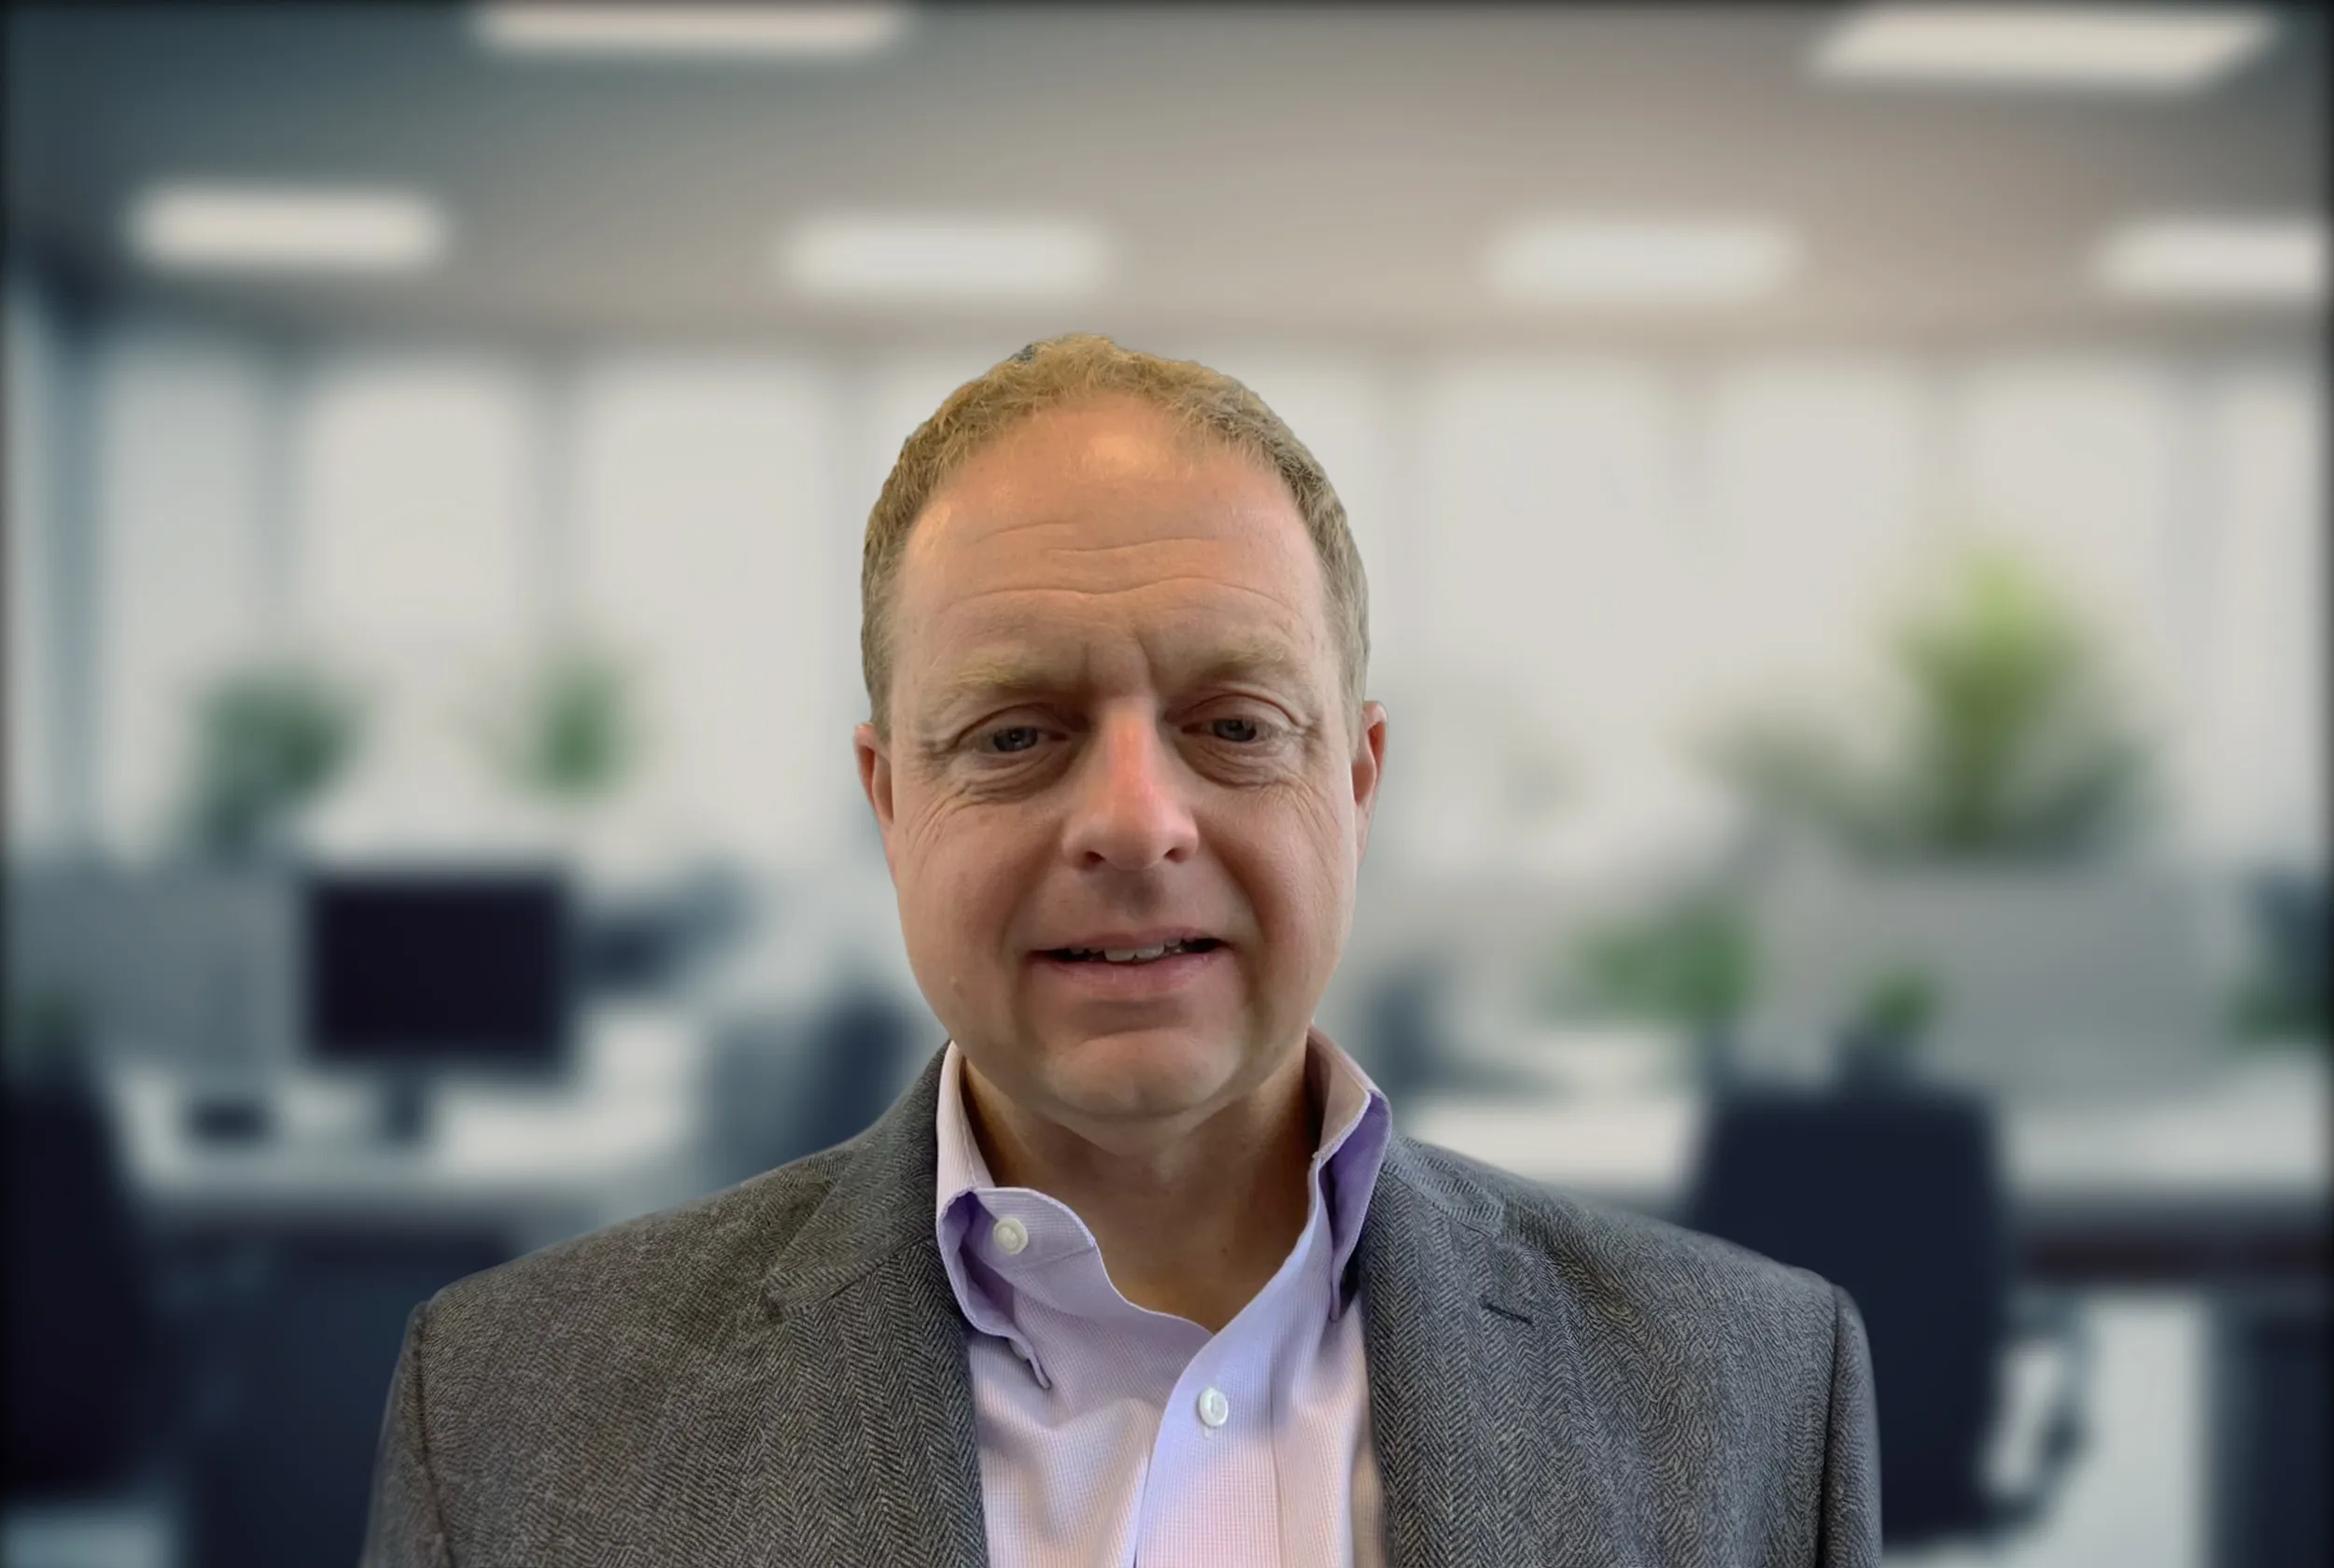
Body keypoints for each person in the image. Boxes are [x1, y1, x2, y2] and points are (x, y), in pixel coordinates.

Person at [362, 335, 1878, 1566]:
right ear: (892, 802)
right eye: (1017, 735)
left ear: (1354, 784)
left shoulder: (1750, 1394)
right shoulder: (513, 1414)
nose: (1139, 822)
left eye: (1233, 725)